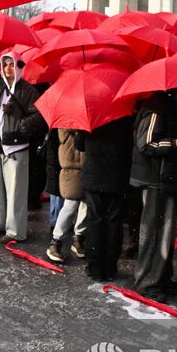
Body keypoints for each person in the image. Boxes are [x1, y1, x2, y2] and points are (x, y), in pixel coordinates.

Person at [0, 53, 44, 241]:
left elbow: (38, 117)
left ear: (19, 67)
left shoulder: (29, 91)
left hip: (15, 147)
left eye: (11, 65)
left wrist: (19, 127)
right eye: (5, 65)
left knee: (16, 192)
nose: (7, 69)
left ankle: (15, 231)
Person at [129, 90, 177, 297]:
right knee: (155, 232)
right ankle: (148, 282)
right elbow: (145, 144)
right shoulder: (155, 109)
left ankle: (161, 278)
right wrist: (175, 143)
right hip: (155, 180)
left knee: (164, 233)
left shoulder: (167, 106)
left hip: (165, 179)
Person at [79, 115, 133, 282]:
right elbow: (129, 147)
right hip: (116, 177)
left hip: (94, 177)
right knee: (114, 222)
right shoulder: (124, 117)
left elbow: (79, 144)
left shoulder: (89, 117)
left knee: (94, 221)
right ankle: (110, 267)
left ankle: (95, 267)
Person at [47, 128, 88, 264]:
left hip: (87, 165)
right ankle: (55, 241)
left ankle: (78, 238)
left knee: (85, 205)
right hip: (72, 167)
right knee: (70, 205)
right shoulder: (69, 117)